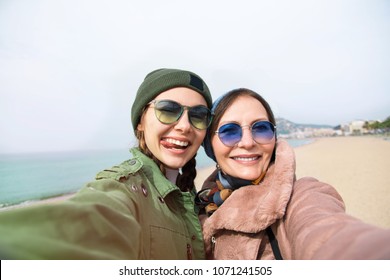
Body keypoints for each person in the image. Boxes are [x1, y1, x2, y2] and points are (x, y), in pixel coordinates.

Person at [0, 68, 213, 260]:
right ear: (140, 121)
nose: (184, 126)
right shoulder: (126, 187)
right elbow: (95, 221)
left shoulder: (188, 191)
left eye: (198, 115)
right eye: (168, 110)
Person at [197, 88, 390, 260]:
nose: (248, 142)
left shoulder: (298, 195)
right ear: (210, 146)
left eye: (261, 128)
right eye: (230, 131)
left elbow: (324, 231)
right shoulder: (201, 204)